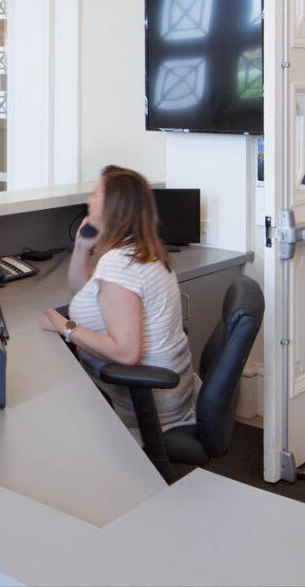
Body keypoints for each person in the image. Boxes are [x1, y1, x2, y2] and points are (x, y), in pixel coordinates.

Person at [41, 166, 199, 437]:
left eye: (96, 195)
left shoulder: (119, 264)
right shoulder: (142, 250)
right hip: (176, 396)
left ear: (115, 207)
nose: (88, 201)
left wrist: (66, 327)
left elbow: (126, 353)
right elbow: (83, 293)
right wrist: (82, 247)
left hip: (150, 405)